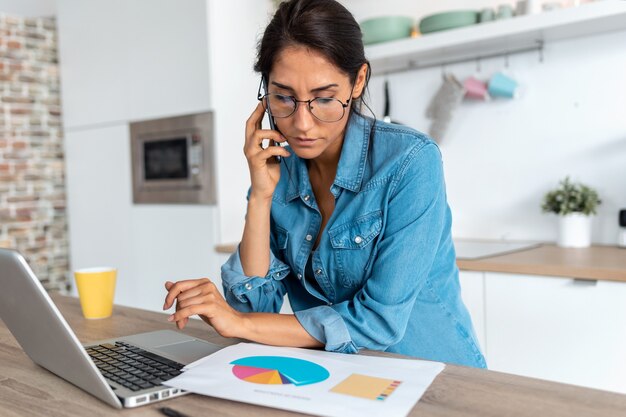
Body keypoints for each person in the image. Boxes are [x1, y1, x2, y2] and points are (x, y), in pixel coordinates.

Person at [163, 0, 486, 368]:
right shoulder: (278, 169)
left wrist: (241, 322)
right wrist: (261, 197)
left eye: (324, 98)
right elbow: (253, 305)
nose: (301, 123)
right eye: (283, 97)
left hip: (435, 375)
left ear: (358, 81)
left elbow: (378, 321)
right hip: (336, 377)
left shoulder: (410, 162)